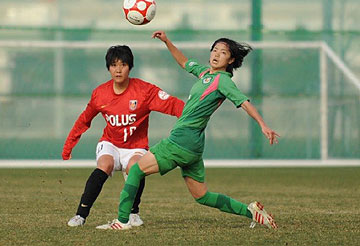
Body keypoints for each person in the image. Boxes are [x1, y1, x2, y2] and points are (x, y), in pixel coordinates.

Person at [96, 31, 280, 230]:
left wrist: (263, 125)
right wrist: (167, 41)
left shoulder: (223, 81)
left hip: (182, 140)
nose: (216, 54)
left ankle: (122, 222)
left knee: (135, 170)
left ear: (231, 59)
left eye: (223, 52)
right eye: (215, 50)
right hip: (194, 145)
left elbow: (244, 102)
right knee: (202, 196)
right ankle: (251, 211)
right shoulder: (205, 74)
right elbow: (184, 62)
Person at [63, 45, 184, 227]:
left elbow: (174, 105)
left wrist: (193, 118)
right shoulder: (100, 94)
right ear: (108, 68)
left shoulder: (144, 91)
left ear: (130, 67)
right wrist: (68, 146)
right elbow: (84, 120)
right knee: (105, 165)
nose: (118, 69)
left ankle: (133, 213)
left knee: (135, 168)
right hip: (110, 143)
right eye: (113, 65)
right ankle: (80, 215)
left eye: (123, 64)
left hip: (136, 146)